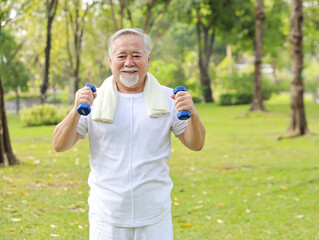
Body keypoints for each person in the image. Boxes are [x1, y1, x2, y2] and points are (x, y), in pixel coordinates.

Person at [52, 28, 206, 240]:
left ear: (148, 59)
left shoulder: (168, 98)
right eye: (121, 56)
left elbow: (196, 144)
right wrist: (75, 110)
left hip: (155, 217)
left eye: (136, 55)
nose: (129, 63)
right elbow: (59, 144)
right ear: (110, 60)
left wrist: (193, 112)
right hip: (107, 217)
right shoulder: (93, 101)